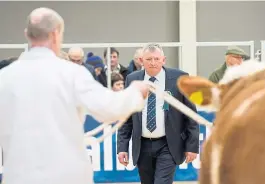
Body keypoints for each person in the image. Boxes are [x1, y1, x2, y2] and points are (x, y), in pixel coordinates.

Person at [0, 7, 149, 184]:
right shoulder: (71, 73)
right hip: (66, 176)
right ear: (56, 34)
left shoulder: (4, 77)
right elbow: (108, 108)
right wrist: (136, 92)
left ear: (27, 34)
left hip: (19, 177)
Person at [117, 43, 199, 184]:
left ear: (163, 60)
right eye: (149, 59)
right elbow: (127, 117)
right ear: (141, 61)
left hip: (168, 144)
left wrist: (192, 146)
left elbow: (190, 114)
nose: (153, 63)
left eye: (156, 59)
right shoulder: (132, 79)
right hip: (142, 145)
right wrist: (122, 147)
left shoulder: (180, 78)